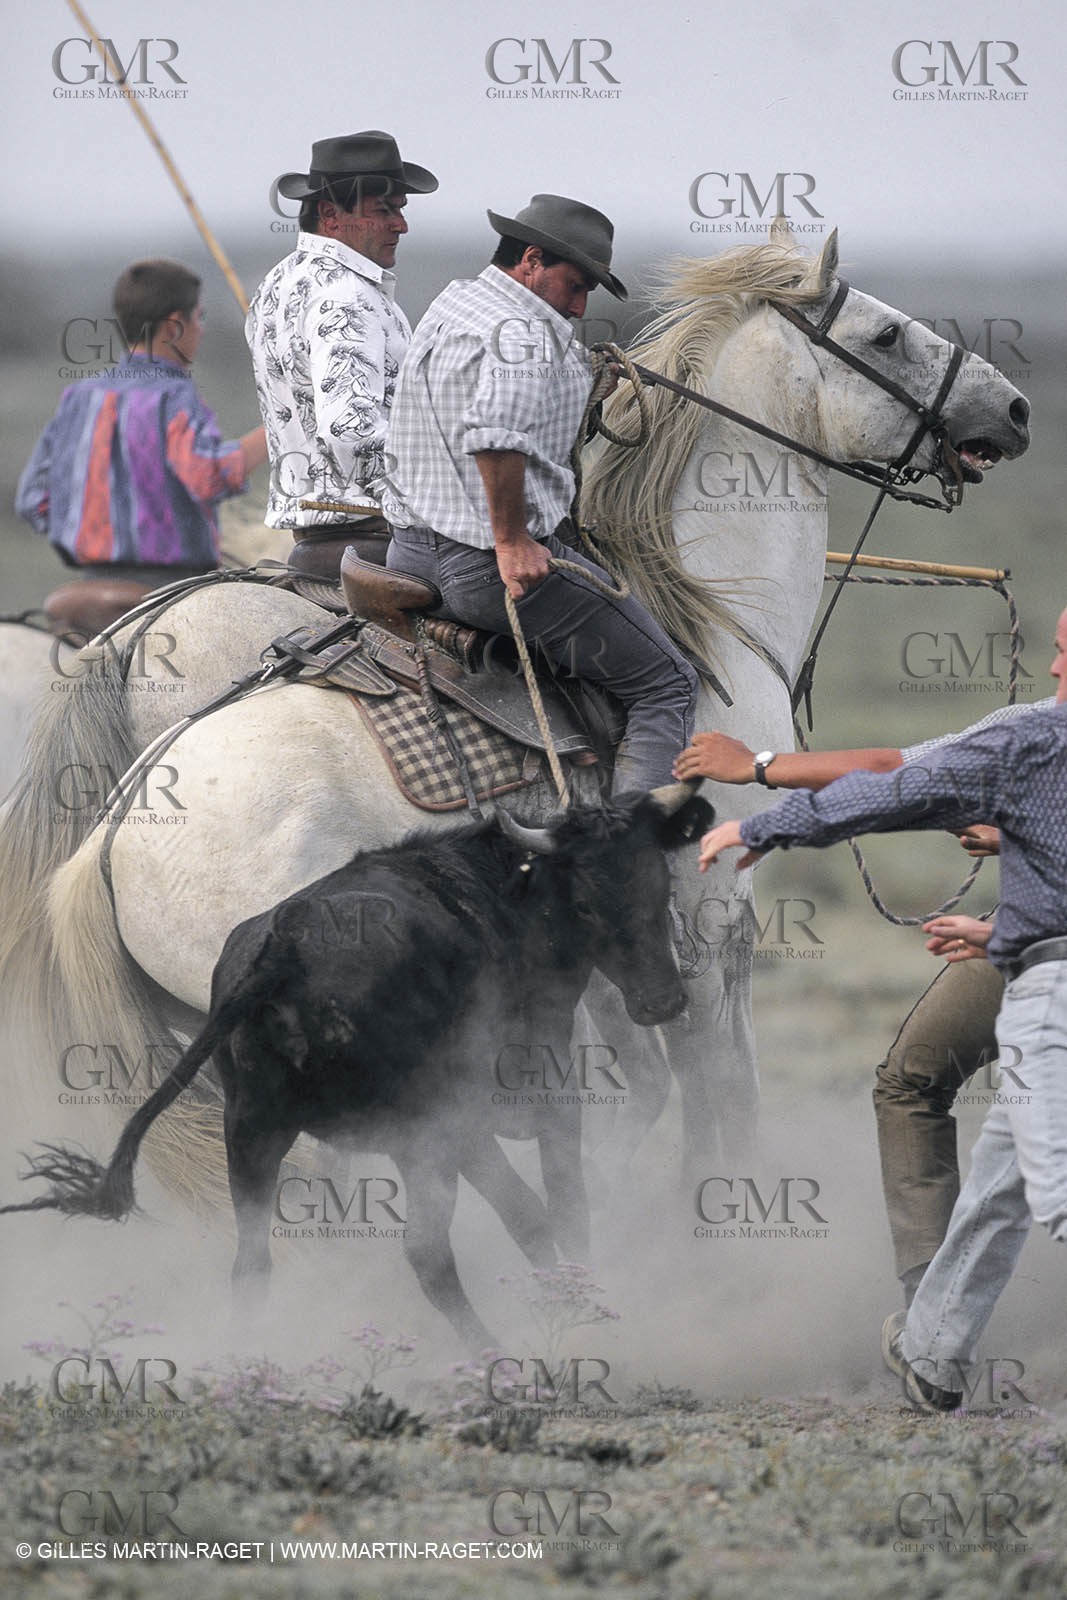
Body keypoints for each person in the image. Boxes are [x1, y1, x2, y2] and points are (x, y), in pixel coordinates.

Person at [696, 609, 1067, 1411]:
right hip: (1030, 950)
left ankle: (927, 1317)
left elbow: (892, 773)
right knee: (984, 1152)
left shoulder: (1027, 736)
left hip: (1045, 968)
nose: (1050, 674)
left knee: (1045, 1182)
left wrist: (759, 774)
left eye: (1063, 656)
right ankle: (930, 1345)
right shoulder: (1029, 739)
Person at [382, 194, 700, 793]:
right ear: (531, 260)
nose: (579, 308)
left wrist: (579, 381)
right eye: (575, 286)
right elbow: (495, 436)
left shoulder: (457, 302)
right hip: (484, 566)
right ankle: (632, 857)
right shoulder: (527, 331)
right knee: (668, 685)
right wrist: (511, 541)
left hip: (412, 549)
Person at [16, 259, 265, 586]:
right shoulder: (173, 395)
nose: (201, 329)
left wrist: (95, 528)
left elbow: (32, 499)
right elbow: (206, 476)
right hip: (168, 584)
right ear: (175, 325)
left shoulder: (79, 396)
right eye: (198, 318)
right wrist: (276, 431)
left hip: (90, 581)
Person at [245, 131, 437, 551]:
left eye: (400, 211)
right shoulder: (347, 296)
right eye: (385, 211)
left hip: (313, 538)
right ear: (331, 215)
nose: (401, 225)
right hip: (374, 536)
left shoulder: (275, 283)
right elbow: (350, 431)